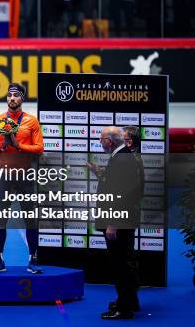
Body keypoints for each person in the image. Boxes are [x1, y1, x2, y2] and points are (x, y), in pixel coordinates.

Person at [0, 83, 44, 274]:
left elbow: (39, 148)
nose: (12, 98)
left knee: (30, 220)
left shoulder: (32, 122)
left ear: (22, 99)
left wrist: (19, 146)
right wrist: (3, 145)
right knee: (1, 219)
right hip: (4, 176)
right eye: (9, 95)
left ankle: (33, 259)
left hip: (25, 176)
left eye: (16, 95)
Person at [88, 126, 142, 319]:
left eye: (101, 139)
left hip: (118, 221)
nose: (100, 142)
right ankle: (128, 301)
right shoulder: (122, 157)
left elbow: (124, 195)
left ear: (109, 141)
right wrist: (100, 173)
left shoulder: (122, 160)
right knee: (124, 262)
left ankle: (124, 308)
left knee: (121, 264)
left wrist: (113, 223)